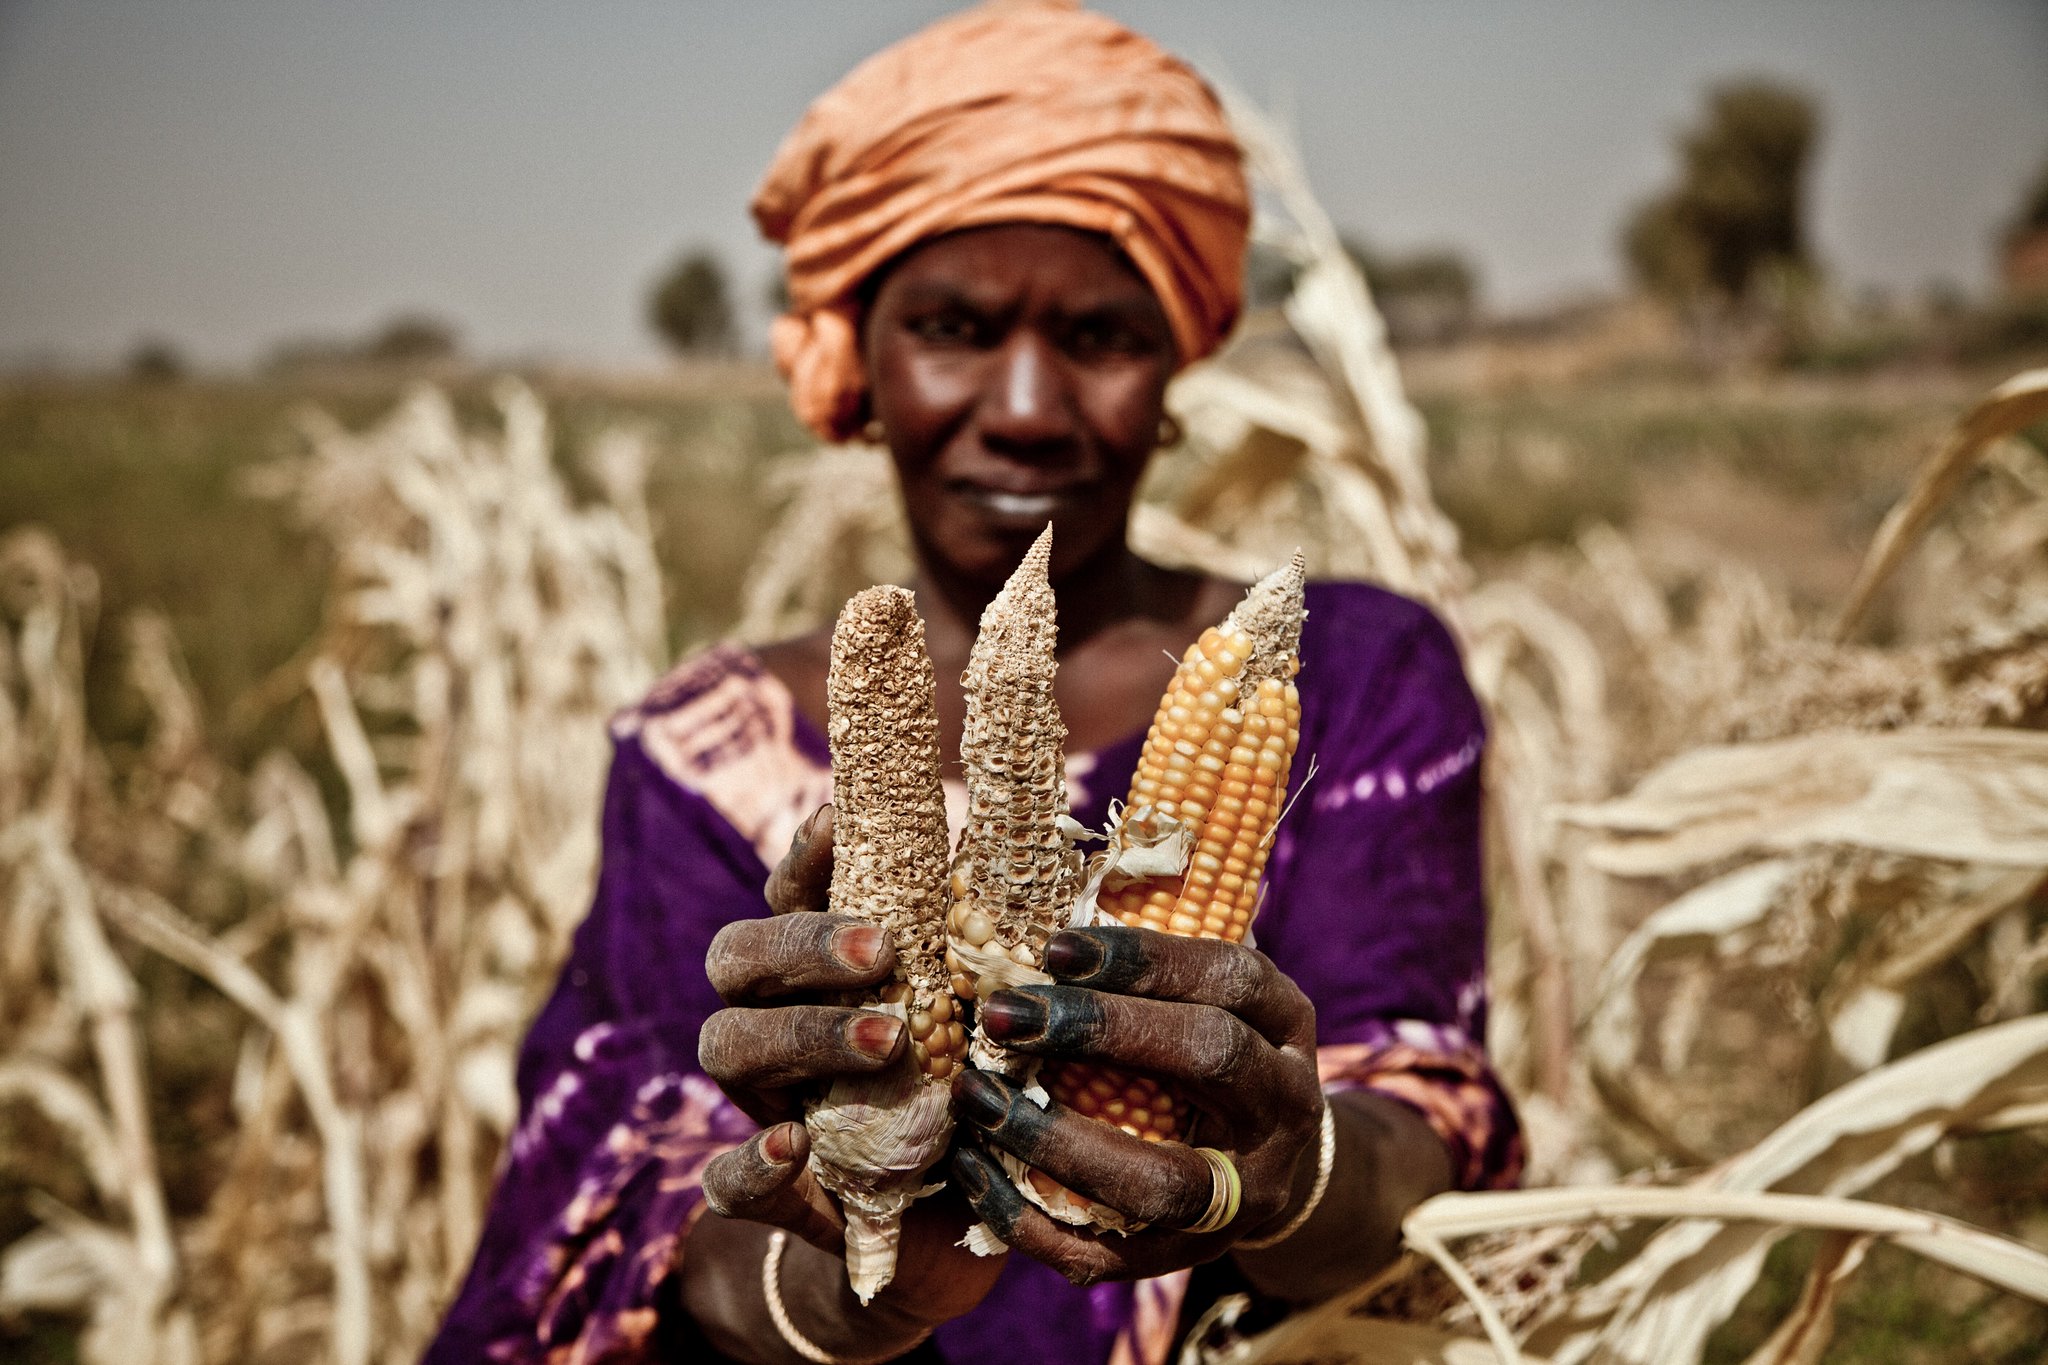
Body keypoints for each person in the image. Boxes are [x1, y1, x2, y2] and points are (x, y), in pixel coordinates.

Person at [426, 3, 1521, 1361]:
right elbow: (636, 1186)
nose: (1025, 405)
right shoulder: (696, 757)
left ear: (1176, 368)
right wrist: (860, 1267)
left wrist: (1280, 1172)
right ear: (857, 362)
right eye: (951, 325)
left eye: (1103, 336)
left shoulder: (1355, 678)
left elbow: (1422, 1127)